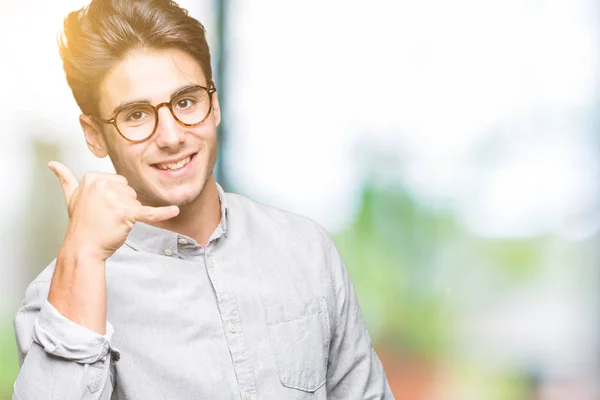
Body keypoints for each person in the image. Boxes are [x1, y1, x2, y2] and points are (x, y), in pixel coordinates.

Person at [12, 0, 394, 399]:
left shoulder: (306, 250)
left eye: (185, 102)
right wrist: (84, 256)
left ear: (214, 103)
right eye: (137, 115)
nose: (172, 136)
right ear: (94, 135)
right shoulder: (54, 297)